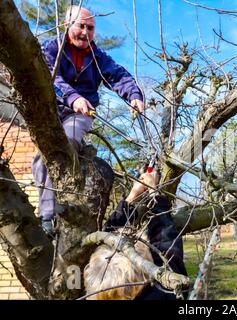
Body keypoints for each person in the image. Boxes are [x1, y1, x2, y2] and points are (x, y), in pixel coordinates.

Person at [33, 6, 145, 237]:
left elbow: (119, 75)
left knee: (68, 139)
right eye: (80, 26)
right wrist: (73, 97)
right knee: (42, 155)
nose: (85, 32)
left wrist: (134, 96)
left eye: (90, 28)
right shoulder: (51, 48)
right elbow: (50, 78)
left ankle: (71, 192)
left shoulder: (97, 56)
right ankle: (47, 215)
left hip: (79, 114)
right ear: (66, 26)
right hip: (50, 109)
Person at [84, 171, 188, 300]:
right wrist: (153, 192)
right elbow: (167, 242)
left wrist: (132, 195)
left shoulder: (98, 294)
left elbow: (108, 236)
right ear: (143, 273)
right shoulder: (165, 290)